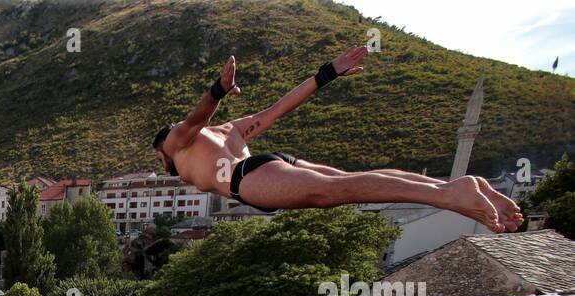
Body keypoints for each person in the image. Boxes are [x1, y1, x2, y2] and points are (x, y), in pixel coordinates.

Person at [152, 48, 521, 232]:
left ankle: (449, 195)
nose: (160, 162)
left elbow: (197, 116)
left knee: (334, 192)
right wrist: (325, 74)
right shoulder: (229, 129)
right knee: (348, 182)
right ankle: (452, 185)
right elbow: (278, 109)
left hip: (248, 178)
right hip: (271, 163)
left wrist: (217, 90)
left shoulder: (176, 147)